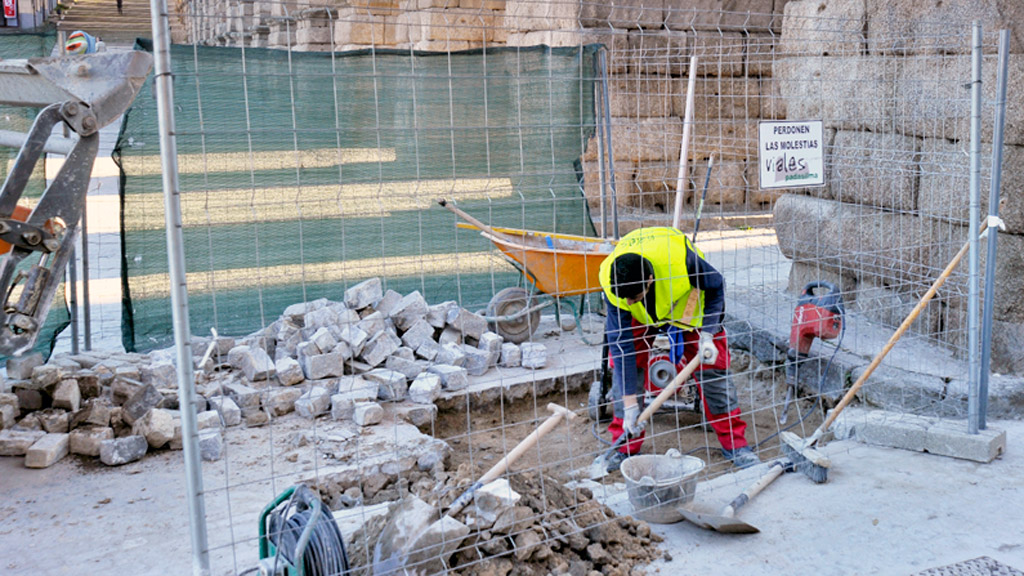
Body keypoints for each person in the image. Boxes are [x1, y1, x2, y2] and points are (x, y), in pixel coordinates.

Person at [598, 226, 761, 473]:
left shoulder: (683, 262)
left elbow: (716, 286)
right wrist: (630, 405)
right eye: (625, 298)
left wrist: (708, 333)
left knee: (713, 371)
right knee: (626, 376)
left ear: (650, 280)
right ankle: (624, 446)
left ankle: (736, 445)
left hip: (686, 302)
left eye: (633, 296)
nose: (629, 302)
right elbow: (622, 350)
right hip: (642, 315)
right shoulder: (615, 287)